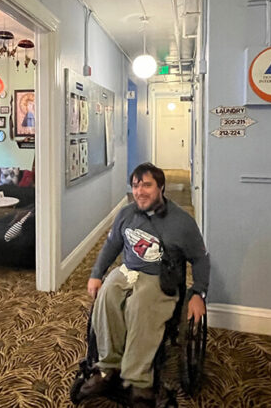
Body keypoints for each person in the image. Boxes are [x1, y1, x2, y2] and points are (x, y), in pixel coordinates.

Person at [79, 162, 209, 408]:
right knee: (107, 293)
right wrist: (96, 274)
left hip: (159, 277)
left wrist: (198, 292)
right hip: (127, 270)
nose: (140, 192)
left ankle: (138, 380)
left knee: (140, 305)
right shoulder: (126, 214)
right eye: (136, 186)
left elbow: (201, 258)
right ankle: (108, 368)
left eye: (147, 185)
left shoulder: (182, 222)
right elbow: (111, 246)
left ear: (161, 187)